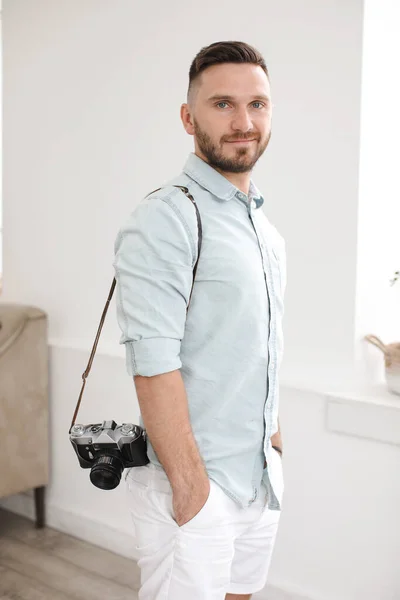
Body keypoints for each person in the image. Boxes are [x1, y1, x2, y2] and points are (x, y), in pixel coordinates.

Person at [113, 40, 286, 600]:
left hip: (258, 480)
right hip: (195, 490)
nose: (243, 121)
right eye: (222, 104)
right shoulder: (168, 216)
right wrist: (193, 492)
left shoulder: (264, 230)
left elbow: (261, 348)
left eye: (257, 104)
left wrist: (276, 451)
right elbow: (152, 363)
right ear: (189, 118)